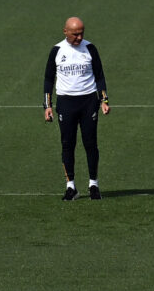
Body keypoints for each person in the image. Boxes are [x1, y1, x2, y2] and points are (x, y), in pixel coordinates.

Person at [44, 16, 108, 201]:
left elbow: (100, 76)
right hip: (65, 102)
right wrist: (47, 106)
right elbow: (48, 79)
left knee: (90, 144)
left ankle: (93, 184)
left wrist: (104, 100)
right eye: (75, 34)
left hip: (88, 101)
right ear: (65, 32)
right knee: (67, 144)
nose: (79, 38)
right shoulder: (57, 51)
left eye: (81, 33)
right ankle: (70, 186)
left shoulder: (90, 48)